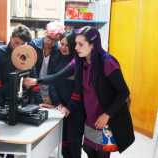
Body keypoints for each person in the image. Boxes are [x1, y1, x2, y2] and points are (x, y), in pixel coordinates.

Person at [24, 26, 134, 158]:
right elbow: (58, 76)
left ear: (93, 45)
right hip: (90, 118)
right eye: (76, 43)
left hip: (106, 119)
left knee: (101, 154)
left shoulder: (107, 63)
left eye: (81, 44)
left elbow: (124, 92)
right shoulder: (79, 61)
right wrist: (36, 81)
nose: (75, 47)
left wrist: (107, 115)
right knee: (90, 150)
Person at [48, 32, 84, 158]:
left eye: (67, 45)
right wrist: (58, 103)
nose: (63, 48)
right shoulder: (56, 57)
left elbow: (79, 89)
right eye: (61, 44)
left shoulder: (79, 62)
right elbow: (51, 81)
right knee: (63, 145)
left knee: (74, 145)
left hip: (75, 110)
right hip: (60, 108)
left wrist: (69, 107)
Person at [0, 24, 40, 107]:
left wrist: (37, 104)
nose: (18, 47)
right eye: (16, 42)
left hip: (24, 102)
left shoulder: (28, 54)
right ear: (11, 38)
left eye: (22, 44)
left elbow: (34, 81)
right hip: (3, 101)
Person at [29, 21, 64, 106]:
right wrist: (39, 97)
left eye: (55, 40)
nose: (51, 42)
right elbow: (32, 73)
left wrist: (50, 97)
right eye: (49, 38)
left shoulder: (58, 51)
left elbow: (55, 76)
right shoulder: (33, 45)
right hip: (34, 89)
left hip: (50, 91)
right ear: (45, 33)